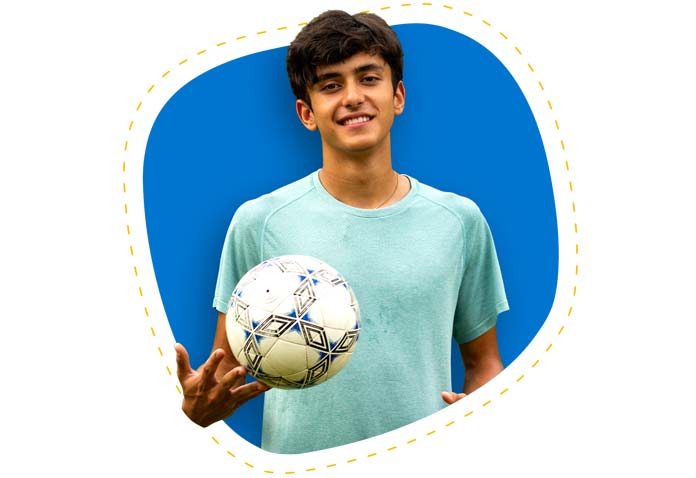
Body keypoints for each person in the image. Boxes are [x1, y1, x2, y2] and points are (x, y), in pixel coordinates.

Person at [175, 9, 509, 454]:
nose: (353, 97)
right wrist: (200, 407)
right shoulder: (259, 221)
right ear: (306, 112)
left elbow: (484, 363)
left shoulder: (459, 220)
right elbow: (226, 369)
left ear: (398, 96)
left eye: (368, 78)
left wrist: (488, 419)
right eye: (330, 85)